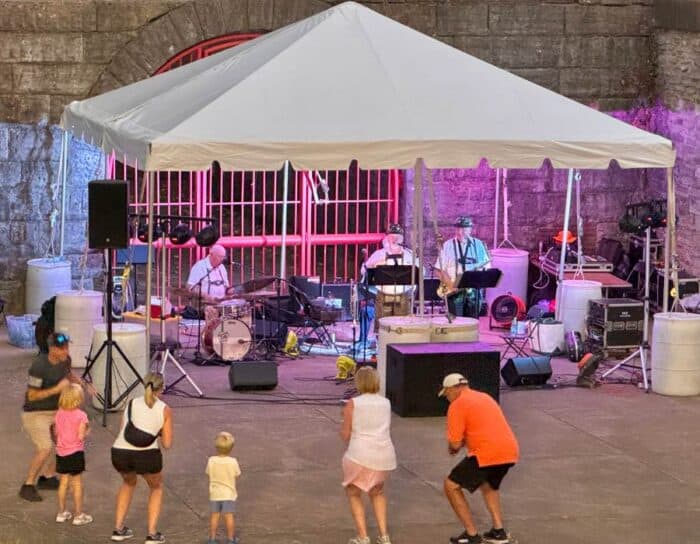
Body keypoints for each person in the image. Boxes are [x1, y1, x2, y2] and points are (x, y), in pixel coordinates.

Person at [439, 374, 519, 544]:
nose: (447, 398)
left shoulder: (457, 405)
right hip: (509, 450)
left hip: (486, 452)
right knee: (488, 484)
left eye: (447, 394)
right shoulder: (484, 397)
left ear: (454, 389)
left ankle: (471, 534)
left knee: (451, 485)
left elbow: (454, 443)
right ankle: (499, 531)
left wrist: (453, 448)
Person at [20, 332, 85, 502]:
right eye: (62, 348)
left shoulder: (66, 360)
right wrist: (57, 389)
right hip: (36, 412)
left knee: (67, 444)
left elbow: (68, 374)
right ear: (52, 349)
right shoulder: (38, 366)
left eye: (67, 347)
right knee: (45, 448)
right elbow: (32, 396)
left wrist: (80, 382)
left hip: (57, 411)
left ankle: (47, 477)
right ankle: (27, 485)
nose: (66, 351)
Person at [111, 373, 173, 543]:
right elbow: (167, 444)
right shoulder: (165, 409)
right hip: (147, 456)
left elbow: (122, 431)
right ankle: (152, 534)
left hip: (119, 453)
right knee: (156, 488)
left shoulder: (130, 403)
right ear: (162, 388)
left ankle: (118, 529)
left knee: (128, 483)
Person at [340, 367, 397, 544]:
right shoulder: (386, 402)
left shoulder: (353, 403)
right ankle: (384, 535)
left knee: (354, 492)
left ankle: (363, 537)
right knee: (377, 492)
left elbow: (346, 434)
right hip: (385, 455)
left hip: (360, 455)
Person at [361, 224, 419, 336]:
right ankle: (382, 349)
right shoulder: (379, 254)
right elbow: (364, 271)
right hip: (384, 295)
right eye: (392, 236)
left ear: (402, 238)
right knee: (383, 328)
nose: (395, 239)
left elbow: (421, 272)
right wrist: (375, 263)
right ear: (387, 238)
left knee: (402, 328)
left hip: (403, 295)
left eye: (397, 236)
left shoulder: (409, 255)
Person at [434, 216, 491, 318]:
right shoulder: (447, 245)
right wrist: (451, 285)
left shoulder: (478, 245)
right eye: (457, 229)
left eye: (464, 229)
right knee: (456, 324)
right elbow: (438, 270)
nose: (460, 232)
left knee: (472, 323)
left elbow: (486, 267)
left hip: (473, 292)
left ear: (470, 229)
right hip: (454, 291)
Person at [54, 384, 93, 526]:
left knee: (63, 482)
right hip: (75, 452)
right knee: (76, 484)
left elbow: (56, 433)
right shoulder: (81, 415)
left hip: (61, 452)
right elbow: (81, 436)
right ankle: (78, 515)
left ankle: (61, 512)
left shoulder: (58, 413)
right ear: (78, 400)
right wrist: (88, 431)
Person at [206, 431, 242, 544]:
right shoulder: (233, 462)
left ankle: (212, 539)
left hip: (215, 493)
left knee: (214, 516)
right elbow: (237, 474)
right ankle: (231, 539)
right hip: (228, 494)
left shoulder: (211, 460)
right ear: (231, 448)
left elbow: (208, 473)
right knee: (229, 516)